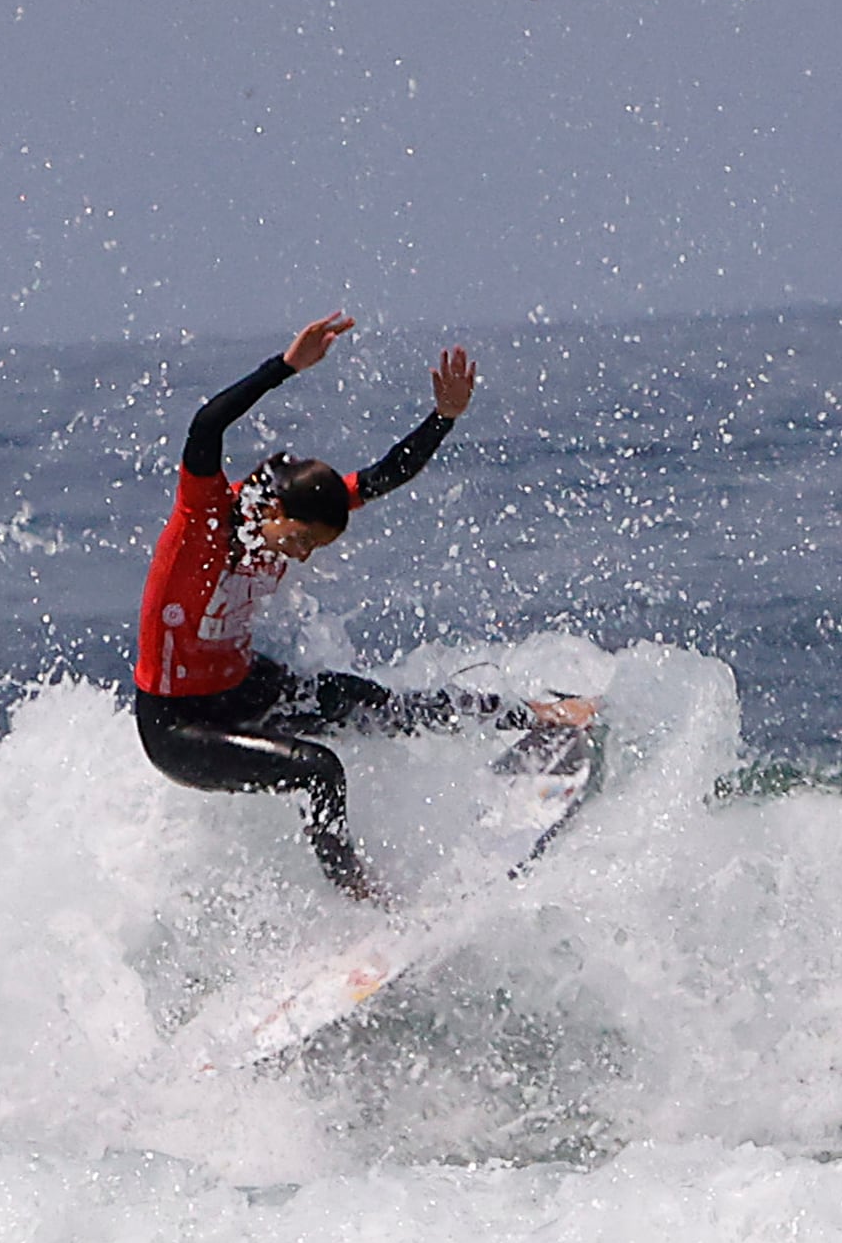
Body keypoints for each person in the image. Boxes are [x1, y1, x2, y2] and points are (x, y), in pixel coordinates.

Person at [130, 311, 593, 901]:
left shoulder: (297, 513)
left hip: (240, 689)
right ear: (274, 513)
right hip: (179, 727)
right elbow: (205, 426)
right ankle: (359, 895)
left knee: (374, 703)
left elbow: (384, 474)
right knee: (317, 770)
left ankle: (532, 715)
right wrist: (286, 368)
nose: (300, 557)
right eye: (299, 540)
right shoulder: (207, 520)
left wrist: (444, 419)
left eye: (314, 548)